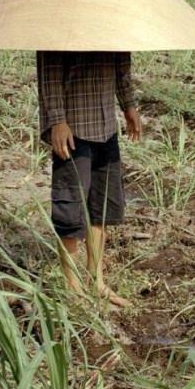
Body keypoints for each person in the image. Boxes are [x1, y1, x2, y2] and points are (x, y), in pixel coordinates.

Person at [37, 50, 142, 307]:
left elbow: (122, 68)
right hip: (73, 127)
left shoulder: (112, 26)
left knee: (102, 206)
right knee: (70, 207)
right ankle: (72, 286)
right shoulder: (58, 29)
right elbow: (49, 76)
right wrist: (57, 121)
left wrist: (129, 107)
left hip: (106, 127)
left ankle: (96, 280)